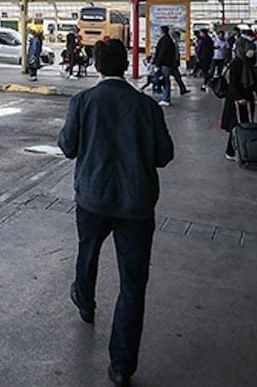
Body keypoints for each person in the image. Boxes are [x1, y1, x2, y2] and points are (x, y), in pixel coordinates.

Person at [58, 39, 174, 386]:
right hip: (136, 204)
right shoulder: (147, 106)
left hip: (92, 198)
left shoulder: (83, 101)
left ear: (96, 65)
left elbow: (67, 147)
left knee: (87, 251)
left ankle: (85, 298)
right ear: (126, 65)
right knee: (133, 284)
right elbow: (163, 156)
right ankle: (122, 365)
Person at [220, 39, 257, 160]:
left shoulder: (248, 62)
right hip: (237, 99)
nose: (251, 51)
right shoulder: (237, 63)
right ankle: (231, 151)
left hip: (246, 97)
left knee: (245, 124)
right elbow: (233, 83)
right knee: (237, 125)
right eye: (248, 48)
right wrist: (239, 97)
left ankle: (242, 149)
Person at [150, 26, 178, 107]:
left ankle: (166, 99)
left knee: (165, 81)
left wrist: (157, 64)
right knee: (164, 80)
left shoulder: (164, 41)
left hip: (164, 64)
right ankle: (165, 97)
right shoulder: (168, 40)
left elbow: (162, 53)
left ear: (162, 31)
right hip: (167, 63)